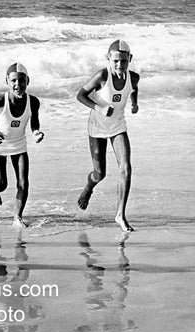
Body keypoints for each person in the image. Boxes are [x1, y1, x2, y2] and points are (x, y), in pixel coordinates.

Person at [76, 39, 140, 232]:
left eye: (124, 61)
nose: (120, 65)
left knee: (126, 168)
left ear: (130, 59)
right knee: (100, 174)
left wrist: (134, 103)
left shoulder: (134, 77)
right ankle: (88, 188)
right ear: (108, 59)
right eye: (116, 61)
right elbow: (80, 95)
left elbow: (134, 89)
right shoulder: (102, 76)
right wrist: (100, 108)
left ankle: (120, 215)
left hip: (118, 126)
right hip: (97, 126)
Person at [0, 63, 44, 228]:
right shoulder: (1, 100)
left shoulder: (33, 101)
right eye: (14, 81)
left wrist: (36, 132)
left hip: (19, 144)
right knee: (1, 185)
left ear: (27, 81)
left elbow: (34, 122)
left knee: (23, 183)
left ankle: (17, 217)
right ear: (7, 81)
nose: (18, 85)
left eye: (22, 81)